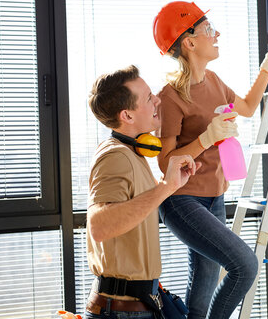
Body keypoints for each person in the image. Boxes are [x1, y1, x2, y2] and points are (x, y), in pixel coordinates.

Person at [152, 1, 268, 319]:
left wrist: (267, 64)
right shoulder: (170, 98)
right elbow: (164, 163)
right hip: (182, 202)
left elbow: (249, 107)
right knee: (244, 265)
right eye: (208, 29)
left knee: (202, 294)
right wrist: (207, 138)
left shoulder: (213, 80)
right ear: (189, 42)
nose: (217, 34)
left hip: (215, 195)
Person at [85, 65, 200, 319]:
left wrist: (170, 185)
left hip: (137, 306)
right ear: (127, 115)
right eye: (149, 97)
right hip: (122, 312)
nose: (157, 99)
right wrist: (165, 187)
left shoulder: (133, 154)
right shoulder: (114, 156)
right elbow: (99, 226)